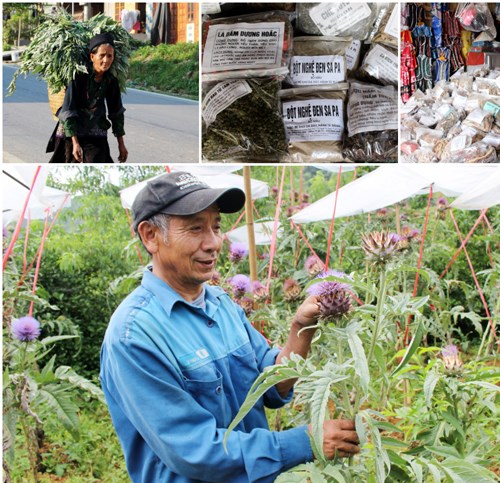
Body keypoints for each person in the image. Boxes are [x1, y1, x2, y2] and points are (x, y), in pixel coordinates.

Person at [100, 172, 360, 482]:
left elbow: (274, 386)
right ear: (150, 236)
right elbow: (194, 451)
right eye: (195, 228)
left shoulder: (220, 304)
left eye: (216, 227)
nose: (213, 242)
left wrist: (301, 327)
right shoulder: (134, 335)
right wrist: (305, 441)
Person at [48, 33, 128, 163]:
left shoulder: (111, 81)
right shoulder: (78, 77)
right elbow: (69, 109)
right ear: (92, 56)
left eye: (110, 56)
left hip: (96, 127)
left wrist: (121, 144)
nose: (106, 60)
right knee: (68, 164)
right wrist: (75, 143)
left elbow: (116, 112)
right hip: (72, 129)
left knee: (98, 162)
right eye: (102, 55)